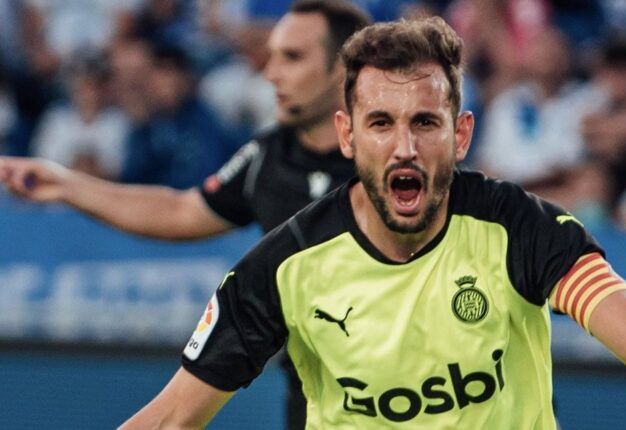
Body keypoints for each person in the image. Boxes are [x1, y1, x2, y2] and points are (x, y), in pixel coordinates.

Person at [118, 17, 626, 429]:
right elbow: (169, 417)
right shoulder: (285, 266)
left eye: (425, 122)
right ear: (347, 135)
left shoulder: (519, 227)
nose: (404, 147)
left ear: (460, 134)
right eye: (381, 123)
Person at [0, 1, 371, 428]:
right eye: (271, 56)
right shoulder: (267, 157)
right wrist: (66, 184)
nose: (270, 73)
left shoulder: (392, 168)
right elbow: (181, 210)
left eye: (292, 57)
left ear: (343, 69)